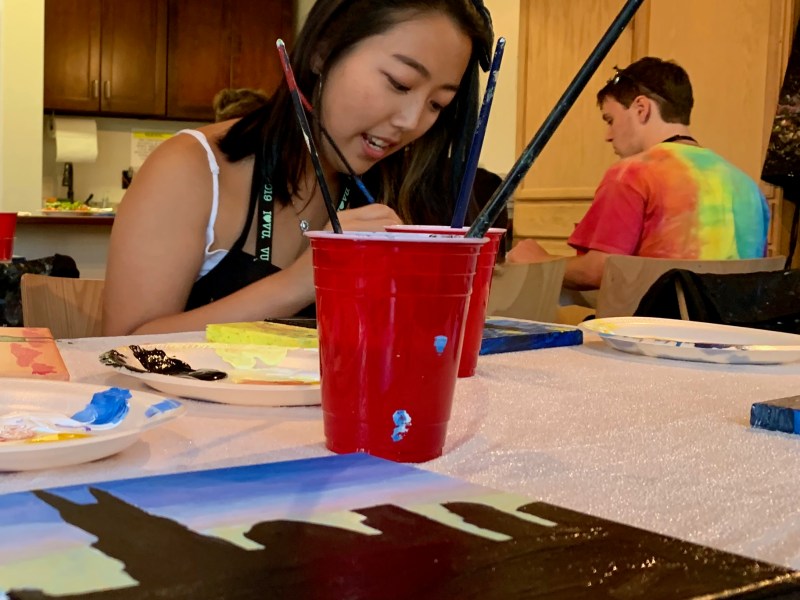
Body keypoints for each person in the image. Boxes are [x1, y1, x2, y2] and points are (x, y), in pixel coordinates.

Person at [104, 0, 494, 335]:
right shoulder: (193, 169)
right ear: (323, 51)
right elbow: (117, 348)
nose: (411, 121)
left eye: (437, 104)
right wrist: (301, 282)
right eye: (400, 83)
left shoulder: (403, 187)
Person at [506, 57, 770, 290]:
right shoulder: (748, 187)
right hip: (735, 341)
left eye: (610, 120)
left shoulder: (633, 173)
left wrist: (538, 260)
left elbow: (598, 271)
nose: (608, 136)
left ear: (641, 108)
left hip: (653, 339)